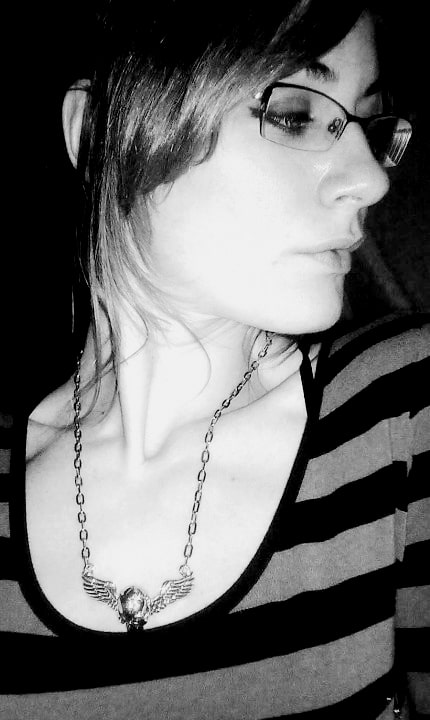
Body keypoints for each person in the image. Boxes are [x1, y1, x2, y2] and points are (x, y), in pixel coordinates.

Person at [1, 0, 429, 717]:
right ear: (98, 130)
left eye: (369, 124)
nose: (372, 179)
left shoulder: (403, 414)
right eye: (294, 114)